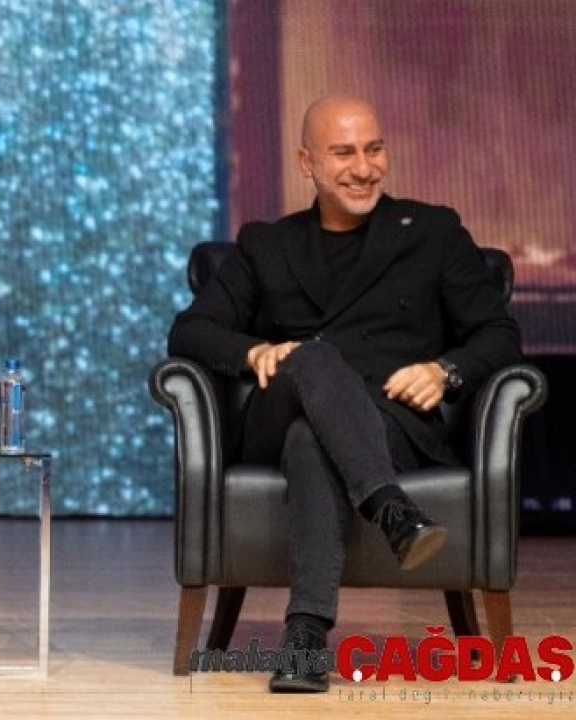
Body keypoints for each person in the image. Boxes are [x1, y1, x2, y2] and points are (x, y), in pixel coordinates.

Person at [167, 94, 521, 693]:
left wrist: (446, 372)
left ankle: (305, 639)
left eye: (374, 149)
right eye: (343, 153)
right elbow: (190, 330)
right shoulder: (267, 244)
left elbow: (499, 333)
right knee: (311, 358)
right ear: (307, 162)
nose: (364, 168)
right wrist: (253, 352)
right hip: (277, 414)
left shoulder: (432, 232)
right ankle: (391, 509)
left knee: (312, 439)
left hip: (391, 423)